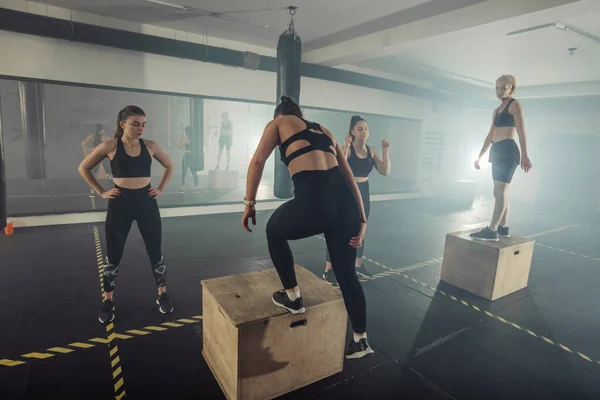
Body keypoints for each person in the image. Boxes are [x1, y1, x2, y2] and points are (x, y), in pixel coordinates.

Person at [242, 96, 374, 359]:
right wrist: (362, 217)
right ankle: (361, 340)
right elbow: (348, 174)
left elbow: (258, 161)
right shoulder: (324, 130)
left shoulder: (278, 122)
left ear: (280, 114)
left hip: (315, 204)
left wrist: (249, 203)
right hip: (346, 206)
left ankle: (293, 297)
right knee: (347, 274)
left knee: (273, 230)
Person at [78, 105, 175, 324]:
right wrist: (102, 191)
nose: (141, 128)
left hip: (146, 202)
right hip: (120, 203)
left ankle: (162, 294)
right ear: (123, 124)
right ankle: (108, 300)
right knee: (113, 253)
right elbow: (84, 167)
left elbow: (169, 165)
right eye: (135, 124)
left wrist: (160, 188)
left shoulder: (150, 146)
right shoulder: (110, 145)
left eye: (143, 124)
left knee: (155, 250)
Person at [322, 115, 391, 285]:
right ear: (352, 131)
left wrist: (385, 151)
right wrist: (345, 147)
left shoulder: (371, 150)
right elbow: (340, 167)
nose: (364, 132)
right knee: (338, 229)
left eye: (366, 128)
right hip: (346, 190)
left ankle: (357, 265)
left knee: (362, 226)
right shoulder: (348, 149)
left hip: (364, 191)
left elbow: (385, 171)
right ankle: (328, 269)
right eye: (360, 129)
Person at [471, 75, 532, 241]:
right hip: (496, 151)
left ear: (511, 88)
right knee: (499, 192)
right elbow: (491, 134)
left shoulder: (515, 105)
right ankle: (504, 227)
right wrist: (480, 155)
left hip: (508, 150)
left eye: (503, 88)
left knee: (500, 191)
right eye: (497, 88)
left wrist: (525, 154)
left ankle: (492, 230)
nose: (499, 91)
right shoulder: (496, 110)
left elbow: (521, 130)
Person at [82, 124, 112, 196]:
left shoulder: (104, 138)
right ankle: (92, 191)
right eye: (100, 129)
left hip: (104, 157)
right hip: (96, 157)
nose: (101, 131)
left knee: (109, 173)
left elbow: (112, 143)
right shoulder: (91, 138)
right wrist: (92, 150)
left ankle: (113, 188)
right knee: (93, 174)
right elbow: (84, 145)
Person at [179, 125, 199, 193]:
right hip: (192, 155)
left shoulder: (187, 139)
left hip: (187, 155)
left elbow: (179, 146)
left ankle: (183, 187)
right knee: (193, 171)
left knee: (184, 172)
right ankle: (196, 186)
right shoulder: (194, 138)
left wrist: (182, 137)